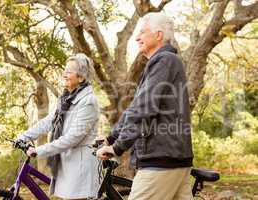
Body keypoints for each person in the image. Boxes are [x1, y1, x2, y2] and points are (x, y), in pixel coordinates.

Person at [96, 12, 194, 200]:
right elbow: (136, 106)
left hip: (161, 160)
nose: (137, 37)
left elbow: (143, 108)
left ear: (158, 35)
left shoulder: (164, 60)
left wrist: (118, 147)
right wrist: (111, 137)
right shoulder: (165, 63)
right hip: (173, 159)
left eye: (142, 32)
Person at [17, 53, 100, 200]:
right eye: (64, 70)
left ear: (80, 77)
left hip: (80, 169)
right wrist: (24, 136)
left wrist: (39, 150)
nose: (64, 74)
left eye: (68, 71)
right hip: (68, 165)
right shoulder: (66, 99)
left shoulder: (88, 102)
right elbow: (49, 121)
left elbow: (72, 138)